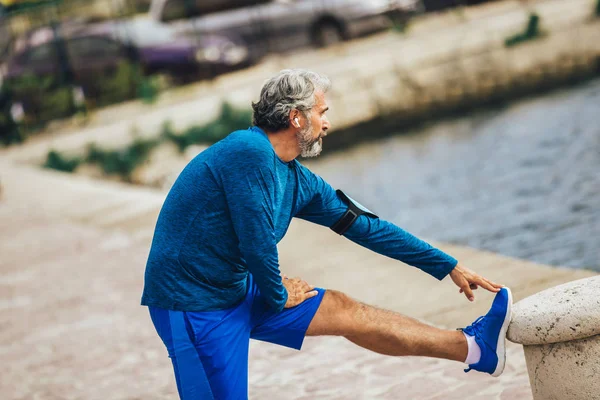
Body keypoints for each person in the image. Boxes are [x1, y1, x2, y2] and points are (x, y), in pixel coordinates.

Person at [141, 69, 512, 399]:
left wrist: (446, 264)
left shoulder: (297, 178)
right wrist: (277, 292)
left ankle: (475, 348)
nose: (327, 123)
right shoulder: (248, 151)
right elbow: (256, 242)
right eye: (323, 113)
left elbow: (366, 227)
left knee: (342, 309)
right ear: (296, 117)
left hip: (238, 288)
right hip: (191, 302)